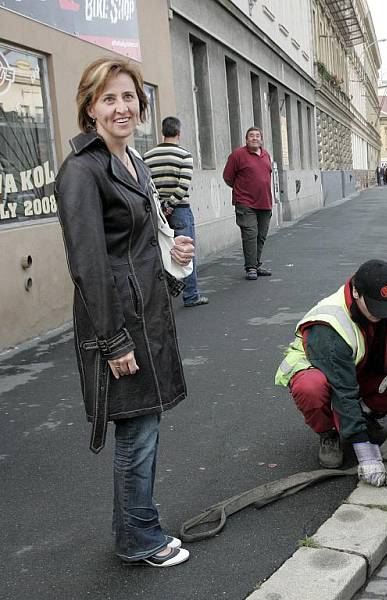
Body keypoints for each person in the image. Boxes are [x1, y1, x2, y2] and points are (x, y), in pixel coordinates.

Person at [56, 57, 194, 567]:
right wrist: (112, 341)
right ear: (90, 108)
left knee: (145, 427)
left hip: (148, 317)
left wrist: (173, 256)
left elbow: (138, 245)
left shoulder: (133, 161)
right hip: (118, 327)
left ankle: (135, 528)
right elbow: (89, 266)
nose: (122, 107)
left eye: (129, 96)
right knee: (136, 434)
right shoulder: (82, 171)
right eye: (109, 98)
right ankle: (140, 537)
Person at [275, 260, 387, 486]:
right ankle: (329, 432)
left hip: (358, 367)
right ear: (355, 292)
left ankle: (365, 415)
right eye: (373, 308)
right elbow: (343, 390)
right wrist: (366, 454)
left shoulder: (386, 303)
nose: (379, 315)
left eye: (383, 308)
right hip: (323, 370)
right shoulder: (329, 325)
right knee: (311, 388)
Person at [144, 116, 208, 307]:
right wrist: (171, 204)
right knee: (186, 252)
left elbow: (146, 185)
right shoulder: (185, 155)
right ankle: (191, 295)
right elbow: (183, 185)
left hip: (157, 211)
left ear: (163, 132)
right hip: (179, 210)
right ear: (178, 133)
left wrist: (161, 206)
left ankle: (160, 298)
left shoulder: (148, 156)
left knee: (160, 253)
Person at [223, 127, 274, 280]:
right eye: (251, 136)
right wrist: (241, 190)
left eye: (257, 136)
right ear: (246, 139)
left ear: (261, 139)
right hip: (245, 203)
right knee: (250, 234)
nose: (255, 138)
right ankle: (250, 267)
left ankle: (256, 264)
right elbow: (228, 177)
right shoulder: (237, 155)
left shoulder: (266, 155)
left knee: (261, 236)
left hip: (265, 202)